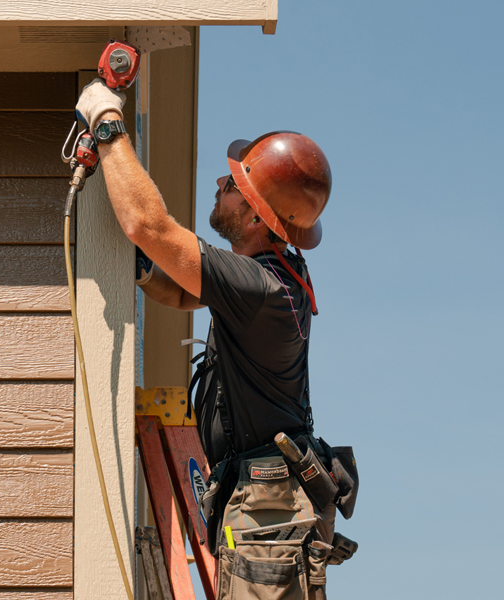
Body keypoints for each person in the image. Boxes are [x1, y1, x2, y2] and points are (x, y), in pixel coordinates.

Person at [78, 79, 357, 599]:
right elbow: (186, 296)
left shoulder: (257, 286)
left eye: (234, 186)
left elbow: (146, 222)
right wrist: (144, 271)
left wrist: (107, 121)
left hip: (266, 520)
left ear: (257, 216)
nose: (220, 184)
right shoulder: (276, 274)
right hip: (268, 510)